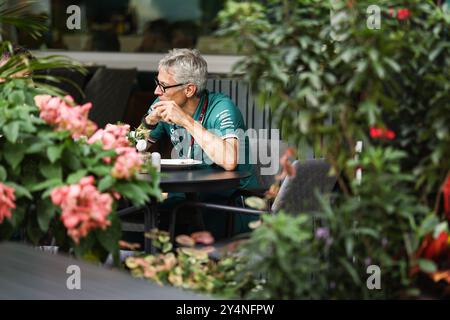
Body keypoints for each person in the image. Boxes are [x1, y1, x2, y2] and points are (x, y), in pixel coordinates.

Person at [141, 48, 259, 239]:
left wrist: (185, 121)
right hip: (186, 199)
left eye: (163, 86)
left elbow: (229, 161)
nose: (156, 91)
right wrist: (148, 123)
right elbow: (132, 150)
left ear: (189, 89)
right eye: (157, 83)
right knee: (146, 220)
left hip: (228, 203)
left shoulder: (221, 107)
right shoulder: (162, 104)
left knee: (165, 226)